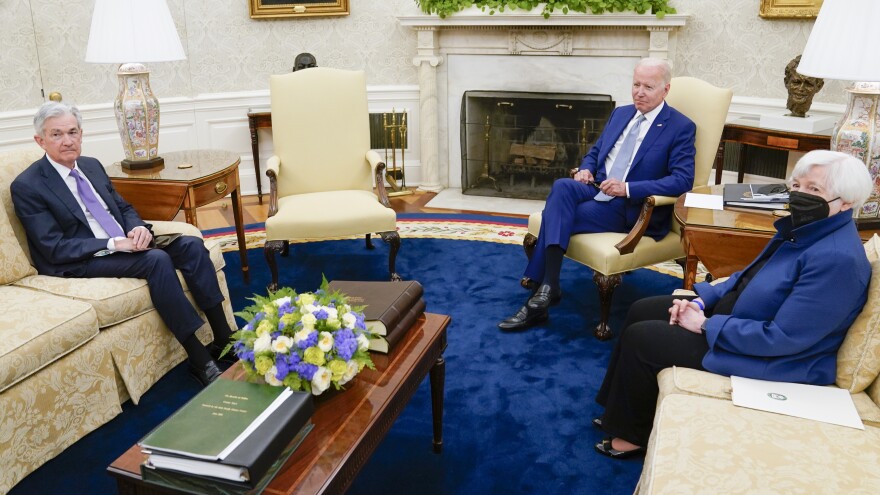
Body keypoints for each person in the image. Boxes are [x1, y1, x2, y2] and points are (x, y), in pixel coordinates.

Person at [592, 149, 873, 459]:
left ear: (847, 203)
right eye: (797, 185)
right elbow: (747, 275)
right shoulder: (803, 229)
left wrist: (705, 325)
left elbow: (784, 338)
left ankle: (634, 436)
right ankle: (618, 411)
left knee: (643, 338)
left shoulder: (837, 259)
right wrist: (702, 301)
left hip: (776, 356)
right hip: (742, 318)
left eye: (814, 190)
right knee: (643, 308)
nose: (799, 195)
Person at [11, 101, 235, 386]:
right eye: (56, 135)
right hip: (81, 258)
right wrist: (115, 243)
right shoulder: (28, 185)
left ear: (81, 133)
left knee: (191, 245)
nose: (67, 141)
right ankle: (199, 359)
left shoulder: (91, 166)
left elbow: (124, 207)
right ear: (40, 140)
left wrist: (138, 229)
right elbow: (53, 246)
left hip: (125, 242)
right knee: (156, 260)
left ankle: (225, 340)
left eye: (72, 132)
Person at [498, 57, 697, 331]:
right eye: (636, 84)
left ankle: (542, 293)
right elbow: (596, 150)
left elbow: (682, 180)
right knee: (563, 186)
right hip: (595, 188)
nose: (639, 92)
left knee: (553, 215)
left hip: (630, 206)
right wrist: (586, 169)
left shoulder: (680, 127)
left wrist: (627, 188)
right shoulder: (621, 113)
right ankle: (550, 286)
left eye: (648, 87)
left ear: (666, 90)